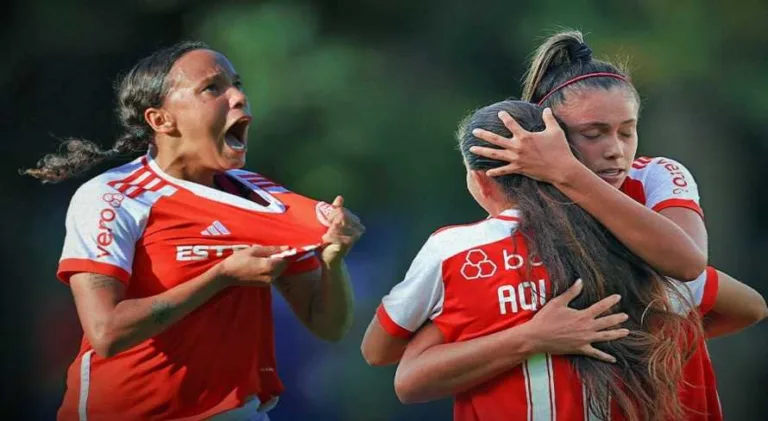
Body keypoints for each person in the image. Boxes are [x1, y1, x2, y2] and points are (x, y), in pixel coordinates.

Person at [22, 41, 365, 421]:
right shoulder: (113, 197)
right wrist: (220, 276)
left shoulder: (264, 195)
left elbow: (328, 324)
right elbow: (107, 333)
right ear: (161, 120)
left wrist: (334, 261)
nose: (238, 96)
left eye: (237, 84)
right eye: (212, 88)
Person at [467, 30, 767, 420]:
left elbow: (694, 266)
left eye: (628, 131)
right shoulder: (532, 214)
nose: (616, 149)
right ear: (549, 136)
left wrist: (643, 343)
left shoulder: (656, 176)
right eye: (593, 134)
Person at [366, 99, 703, 421]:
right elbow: (748, 306)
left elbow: (380, 354)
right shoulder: (629, 240)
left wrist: (514, 332)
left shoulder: (454, 252)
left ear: (480, 180)